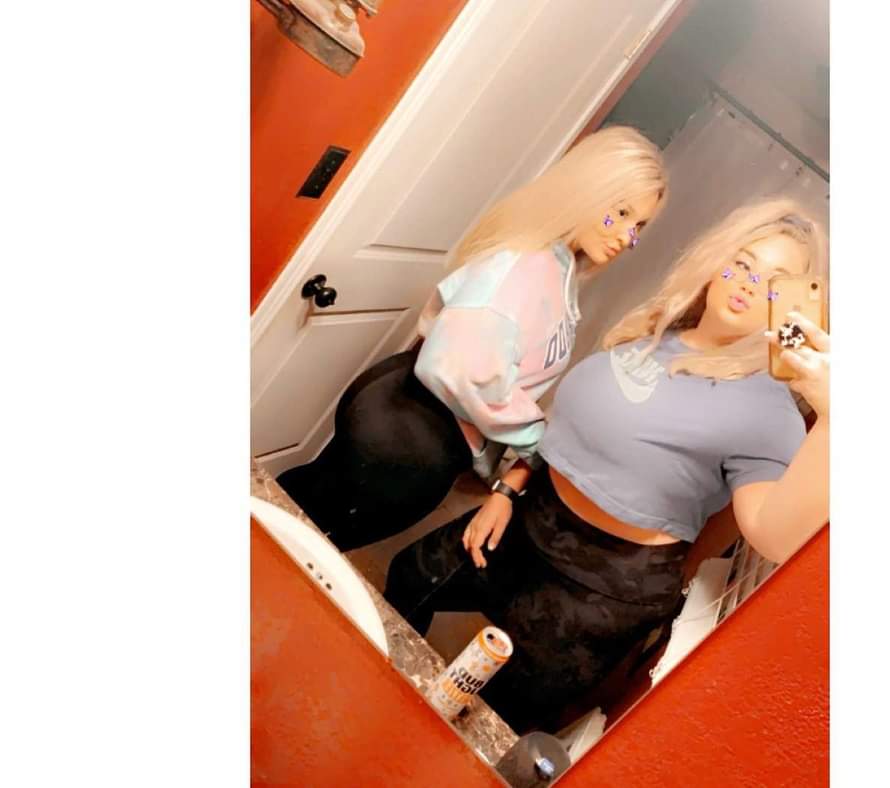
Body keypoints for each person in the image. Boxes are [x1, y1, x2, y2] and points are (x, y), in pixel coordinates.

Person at [383, 197, 830, 733]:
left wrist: (833, 418)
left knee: (489, 721)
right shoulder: (658, 330)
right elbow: (568, 429)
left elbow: (772, 537)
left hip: (604, 586)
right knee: (409, 576)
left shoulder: (770, 409)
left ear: (793, 307)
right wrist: (506, 490)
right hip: (530, 517)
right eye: (742, 263)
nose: (748, 285)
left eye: (773, 284)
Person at [277, 126, 668, 551]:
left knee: (295, 520)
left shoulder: (560, 267)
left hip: (417, 421)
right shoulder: (527, 265)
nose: (626, 236)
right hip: (410, 433)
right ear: (587, 190)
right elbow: (459, 369)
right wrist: (539, 439)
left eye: (638, 225)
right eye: (620, 212)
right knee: (294, 541)